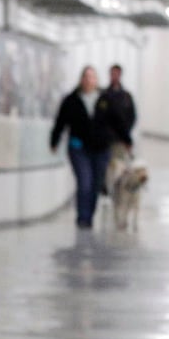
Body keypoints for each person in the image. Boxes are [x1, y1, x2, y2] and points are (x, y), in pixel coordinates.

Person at [49, 65, 114, 228]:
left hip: (101, 149)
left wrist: (126, 140)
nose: (89, 80)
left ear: (96, 80)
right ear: (81, 79)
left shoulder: (105, 99)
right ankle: (83, 218)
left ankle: (89, 215)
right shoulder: (71, 100)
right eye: (86, 76)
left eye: (92, 77)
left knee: (96, 184)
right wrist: (54, 140)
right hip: (79, 148)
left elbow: (117, 121)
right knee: (84, 182)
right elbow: (60, 121)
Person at [102, 63, 137, 152]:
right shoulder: (104, 95)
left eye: (117, 74)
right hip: (107, 139)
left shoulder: (126, 96)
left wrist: (125, 134)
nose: (115, 76)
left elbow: (132, 116)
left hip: (121, 139)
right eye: (113, 73)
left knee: (121, 164)